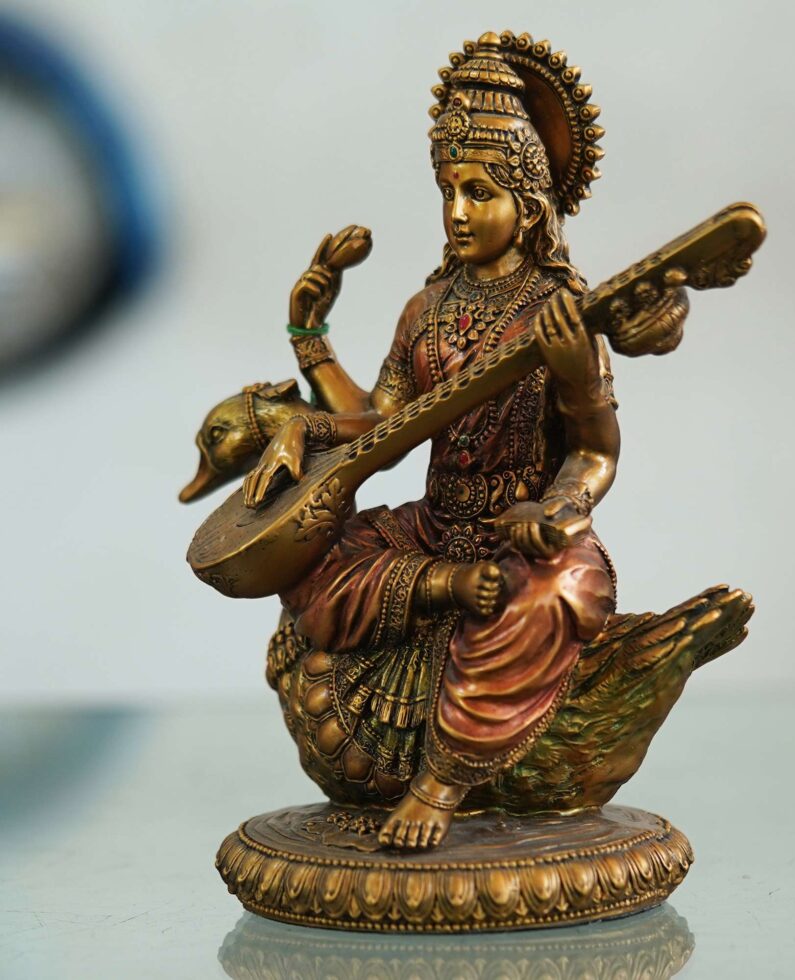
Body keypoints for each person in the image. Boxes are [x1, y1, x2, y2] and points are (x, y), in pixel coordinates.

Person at [242, 33, 687, 850]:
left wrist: (557, 511)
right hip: (436, 524)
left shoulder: (561, 312)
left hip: (527, 533)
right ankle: (441, 585)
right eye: (448, 190)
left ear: (530, 203)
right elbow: (382, 428)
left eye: (479, 192)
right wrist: (309, 352)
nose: (456, 212)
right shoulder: (427, 309)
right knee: (318, 554)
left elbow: (596, 452)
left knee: (558, 595)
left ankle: (441, 783)